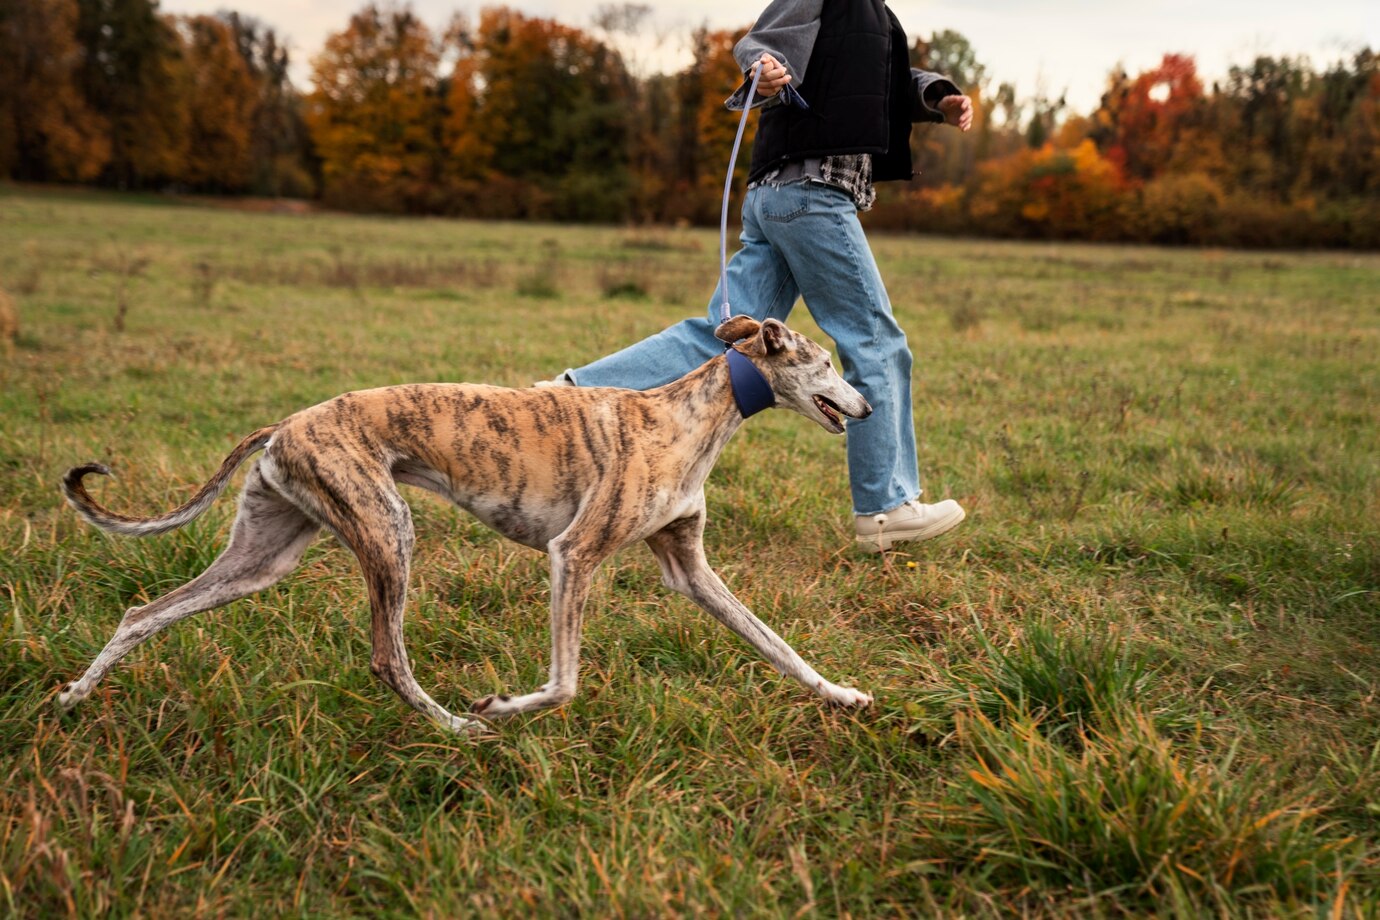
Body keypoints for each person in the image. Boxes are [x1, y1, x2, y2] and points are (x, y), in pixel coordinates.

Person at [541, 0, 974, 553]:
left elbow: (879, 79)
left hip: (778, 196)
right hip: (812, 195)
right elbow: (762, 42)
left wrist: (935, 95)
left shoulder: (873, 15)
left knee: (720, 336)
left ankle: (570, 395)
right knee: (877, 342)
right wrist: (765, 68)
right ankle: (886, 507)